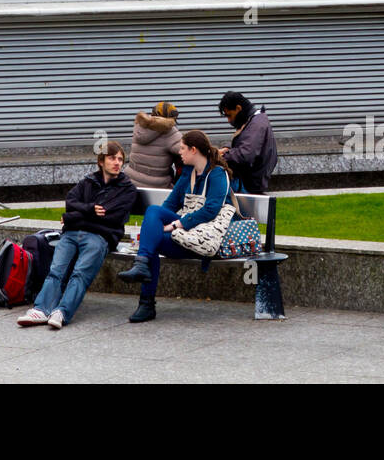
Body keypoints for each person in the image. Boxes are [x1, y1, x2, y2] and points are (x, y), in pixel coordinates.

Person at [117, 130, 233, 323]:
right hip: (186, 235)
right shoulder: (188, 174)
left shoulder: (217, 174)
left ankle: (145, 294)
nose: (179, 152)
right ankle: (144, 291)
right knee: (153, 226)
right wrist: (156, 227)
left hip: (205, 240)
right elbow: (170, 205)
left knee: (151, 237)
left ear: (193, 150)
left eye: (182, 148)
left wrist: (178, 223)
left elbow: (211, 210)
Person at [18, 141, 136, 329]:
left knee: (80, 274)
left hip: (100, 237)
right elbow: (70, 202)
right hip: (72, 233)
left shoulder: (127, 189)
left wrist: (71, 218)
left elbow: (110, 218)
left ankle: (62, 311)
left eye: (121, 159)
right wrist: (88, 210)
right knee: (56, 271)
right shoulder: (88, 182)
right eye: (112, 158)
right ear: (101, 161)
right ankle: (41, 309)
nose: (117, 163)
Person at [219, 91, 278, 195]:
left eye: (229, 115)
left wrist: (220, 156)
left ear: (238, 108)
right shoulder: (253, 120)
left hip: (250, 184)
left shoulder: (256, 124)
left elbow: (245, 154)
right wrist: (228, 149)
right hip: (251, 180)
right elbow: (245, 143)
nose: (229, 120)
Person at [127, 100, 183, 189]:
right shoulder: (170, 132)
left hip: (131, 181)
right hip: (157, 186)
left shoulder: (140, 125)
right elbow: (186, 152)